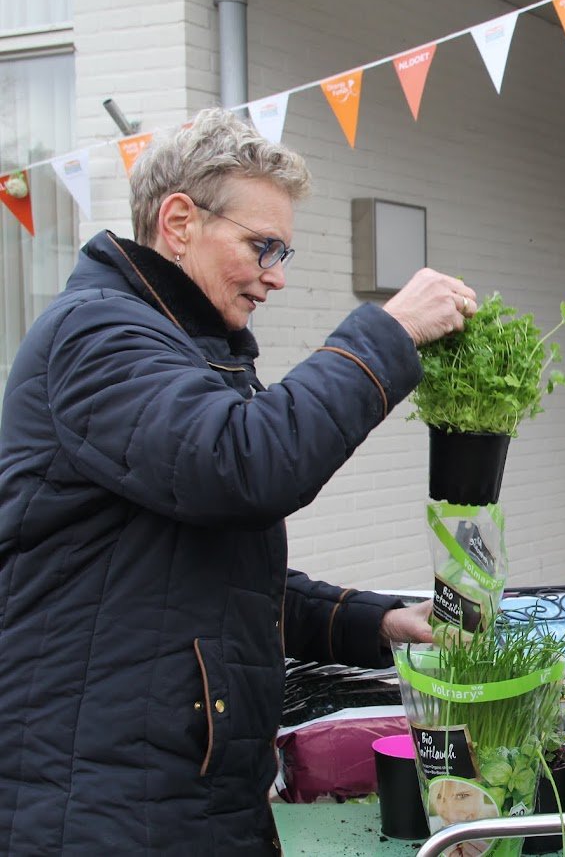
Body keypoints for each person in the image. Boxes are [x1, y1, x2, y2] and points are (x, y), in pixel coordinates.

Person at [0, 107, 480, 854]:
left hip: (185, 794)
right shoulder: (99, 336)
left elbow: (209, 579)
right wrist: (388, 332)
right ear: (180, 220)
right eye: (264, 246)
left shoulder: (180, 349)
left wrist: (375, 622)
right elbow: (248, 465)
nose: (277, 275)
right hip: (106, 808)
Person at [430, 778, 498, 857]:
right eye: (439, 797)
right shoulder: (433, 829)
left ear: (483, 790)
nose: (452, 816)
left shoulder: (507, 822)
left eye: (461, 796)